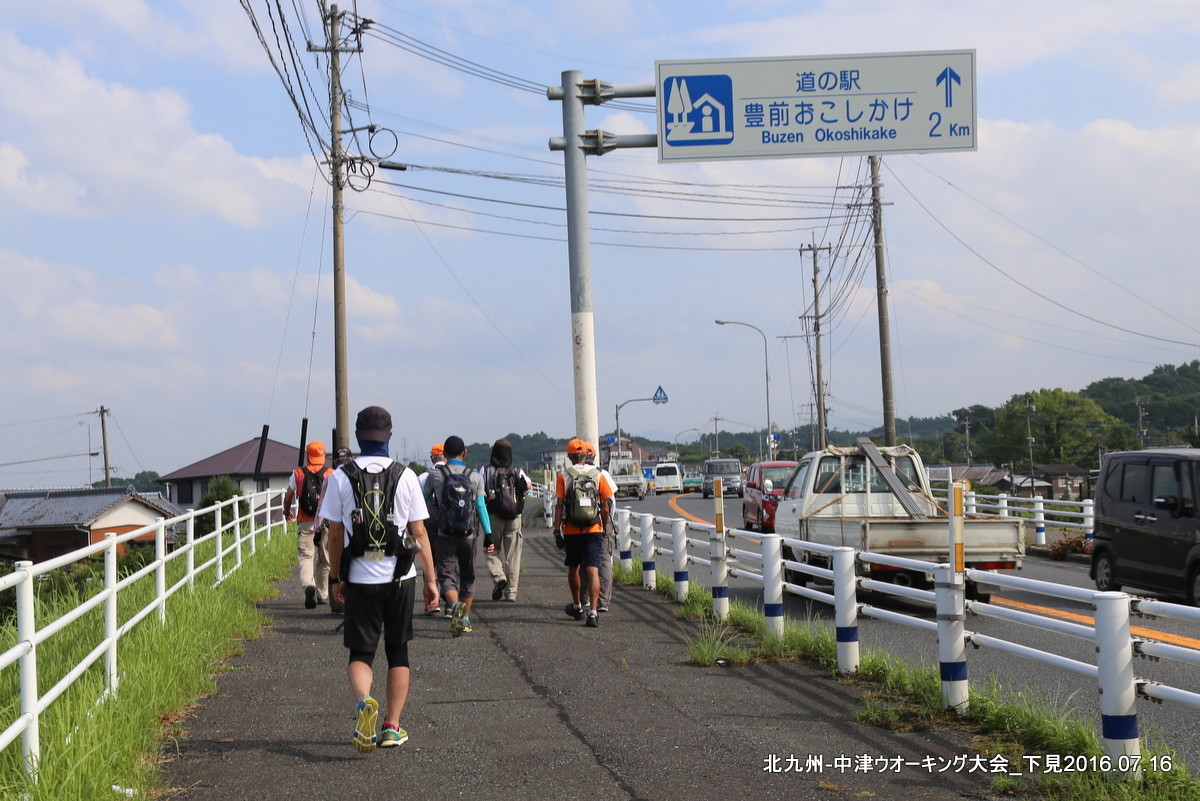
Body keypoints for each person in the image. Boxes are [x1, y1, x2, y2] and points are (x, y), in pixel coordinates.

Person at [322, 406, 438, 752]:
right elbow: (419, 532)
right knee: (398, 651)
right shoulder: (406, 476)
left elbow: (334, 534)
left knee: (361, 652)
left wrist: (336, 576)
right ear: (389, 436)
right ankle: (392, 726)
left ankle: (364, 702)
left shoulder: (340, 477)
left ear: (357, 437)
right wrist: (431, 579)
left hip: (359, 577)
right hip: (401, 576)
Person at [424, 435, 492, 636]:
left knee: (446, 576)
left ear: (444, 454)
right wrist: (489, 534)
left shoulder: (435, 476)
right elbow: (480, 506)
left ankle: (455, 609)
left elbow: (423, 502)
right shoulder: (475, 477)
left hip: (444, 533)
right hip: (469, 534)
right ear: (464, 453)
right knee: (468, 577)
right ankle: (466, 618)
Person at [554, 438, 612, 628]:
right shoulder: (598, 475)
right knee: (593, 569)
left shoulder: (564, 476)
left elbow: (560, 505)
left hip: (571, 528)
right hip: (593, 528)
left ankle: (578, 606)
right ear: (586, 455)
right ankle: (593, 613)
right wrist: (602, 526)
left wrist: (557, 530)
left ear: (569, 456)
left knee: (574, 567)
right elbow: (605, 506)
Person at [480, 438, 533, 602]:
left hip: (493, 517)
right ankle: (511, 593)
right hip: (514, 517)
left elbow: (479, 493)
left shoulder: (486, 470)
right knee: (513, 555)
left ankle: (498, 577)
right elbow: (529, 485)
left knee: (491, 550)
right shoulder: (517, 470)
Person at [283, 441, 334, 609]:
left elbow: (288, 497)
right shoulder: (331, 473)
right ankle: (323, 593)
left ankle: (308, 585)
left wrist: (286, 511)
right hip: (326, 520)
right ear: (324, 455)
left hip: (305, 520)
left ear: (307, 455)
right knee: (325, 557)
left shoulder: (297, 473)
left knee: (306, 555)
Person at [315, 446, 354, 614]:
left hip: (334, 526)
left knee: (334, 562)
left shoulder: (331, 477)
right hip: (354, 527)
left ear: (335, 462)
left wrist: (317, 526)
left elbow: (322, 503)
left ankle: (337, 603)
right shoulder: (357, 475)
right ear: (351, 459)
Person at [579, 442, 616, 613]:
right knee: (603, 561)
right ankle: (602, 601)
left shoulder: (571, 474)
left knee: (583, 561)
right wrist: (608, 523)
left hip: (578, 524)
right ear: (593, 456)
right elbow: (611, 502)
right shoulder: (602, 474)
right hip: (601, 522)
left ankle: (583, 598)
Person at [418, 443, 446, 614]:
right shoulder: (454, 474)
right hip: (448, 524)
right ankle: (450, 601)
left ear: (431, 459)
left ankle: (432, 603)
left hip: (428, 524)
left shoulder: (422, 477)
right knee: (448, 562)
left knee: (429, 562)